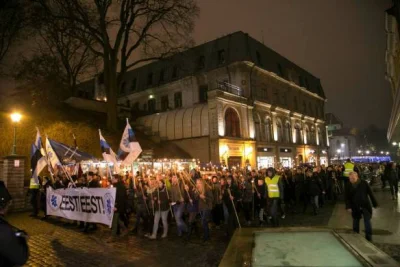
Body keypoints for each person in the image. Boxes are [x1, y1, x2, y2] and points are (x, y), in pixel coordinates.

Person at [0, 181, 29, 266]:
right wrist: (22, 239)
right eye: (8, 204)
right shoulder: (3, 230)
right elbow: (20, 257)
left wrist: (15, 233)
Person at [345, 171, 378, 241]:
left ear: (357, 177)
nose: (351, 180)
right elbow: (347, 197)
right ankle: (356, 237)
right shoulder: (348, 185)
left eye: (353, 178)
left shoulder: (364, 183)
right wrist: (348, 206)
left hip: (365, 205)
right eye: (350, 179)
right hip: (355, 206)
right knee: (355, 222)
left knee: (367, 222)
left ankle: (369, 238)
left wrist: (375, 203)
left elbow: (370, 193)